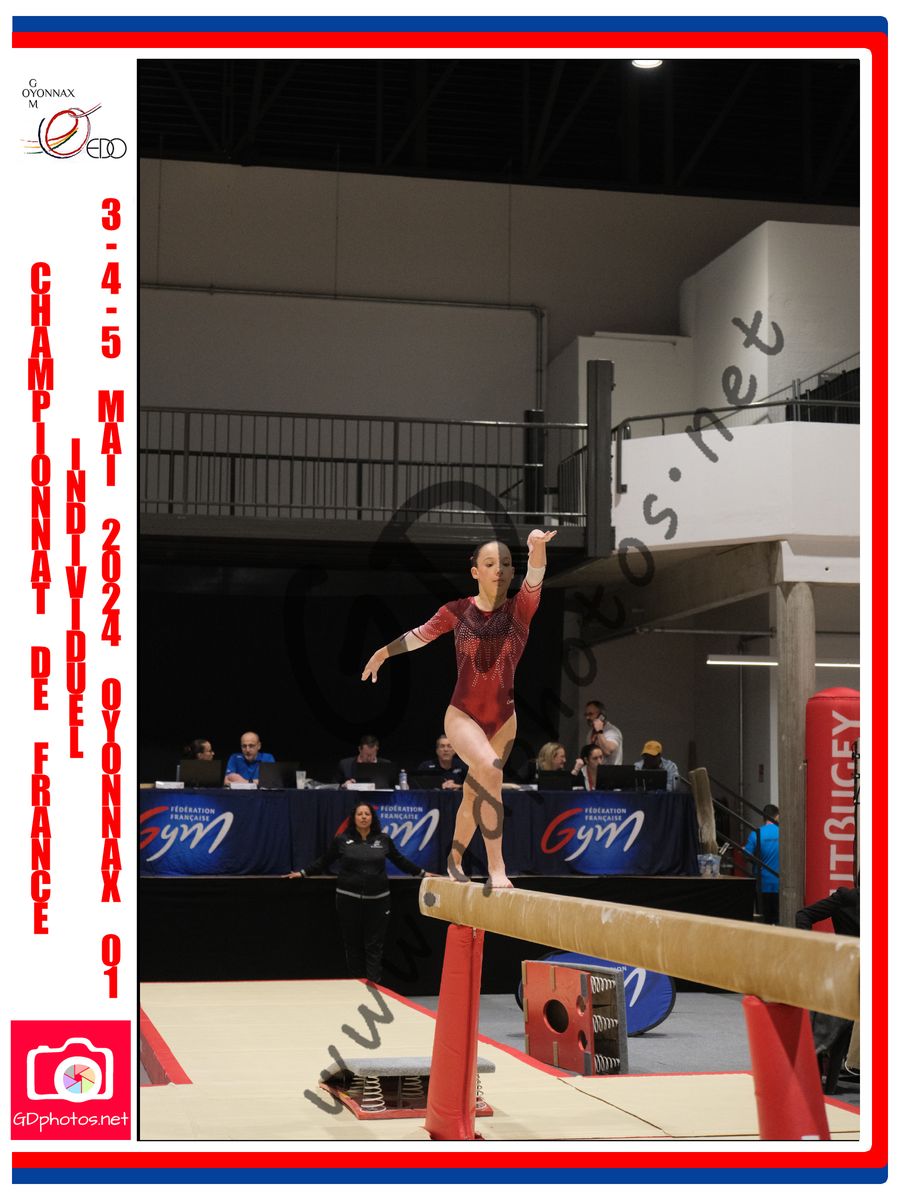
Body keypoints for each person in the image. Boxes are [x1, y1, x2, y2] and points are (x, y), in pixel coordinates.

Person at [362, 529, 556, 889]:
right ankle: (497, 868)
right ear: (475, 572)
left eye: (505, 564)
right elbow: (420, 634)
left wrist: (536, 547)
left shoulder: (520, 610)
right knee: (491, 769)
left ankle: (454, 860)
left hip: (504, 720)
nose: (499, 570)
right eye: (490, 564)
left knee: (475, 790)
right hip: (463, 715)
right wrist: (383, 652)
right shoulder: (457, 611)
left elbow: (536, 576)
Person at [286, 800, 429, 983]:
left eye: (367, 814)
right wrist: (303, 873)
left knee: (374, 944)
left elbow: (400, 860)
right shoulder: (342, 840)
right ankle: (356, 986)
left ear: (372, 818)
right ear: (353, 818)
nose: (363, 817)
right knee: (352, 944)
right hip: (348, 899)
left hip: (378, 900)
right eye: (359, 814)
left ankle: (373, 985)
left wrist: (422, 873)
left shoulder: (383, 840)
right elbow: (325, 861)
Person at [743, 803, 780, 924]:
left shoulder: (756, 834)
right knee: (779, 919)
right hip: (780, 884)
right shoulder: (783, 833)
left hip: (762, 884)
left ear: (763, 817)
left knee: (763, 921)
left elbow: (746, 855)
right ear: (777, 816)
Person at [584, 699, 624, 765]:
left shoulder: (613, 731)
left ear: (601, 715)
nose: (587, 717)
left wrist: (599, 731)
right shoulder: (590, 733)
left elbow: (607, 751)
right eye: (586, 715)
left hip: (611, 771)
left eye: (590, 714)